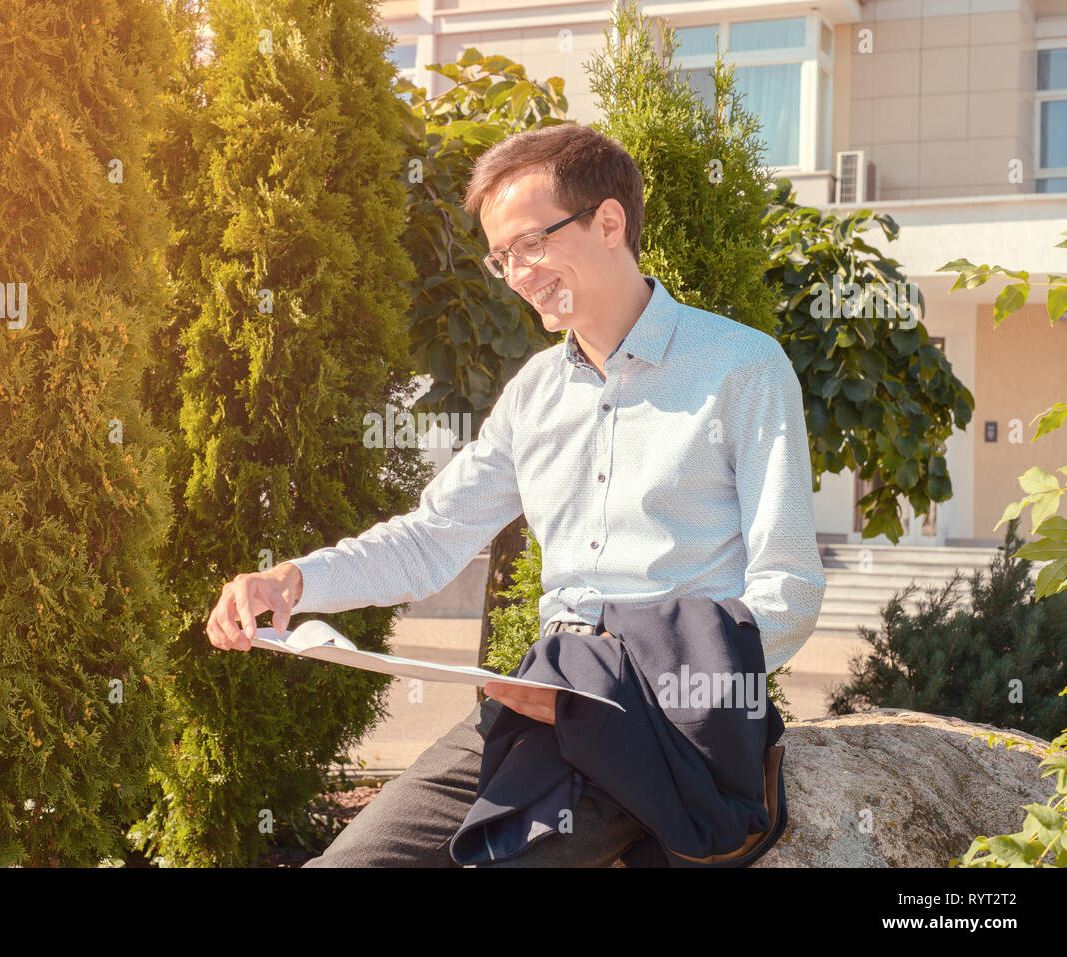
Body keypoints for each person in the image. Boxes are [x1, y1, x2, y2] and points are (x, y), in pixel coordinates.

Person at [206, 123, 826, 867]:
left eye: (531, 244)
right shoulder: (532, 395)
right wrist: (294, 579)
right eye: (502, 258)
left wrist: (639, 682)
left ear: (608, 222)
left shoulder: (742, 368)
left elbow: (787, 593)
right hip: (538, 699)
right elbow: (431, 536)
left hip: (666, 728)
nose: (518, 273)